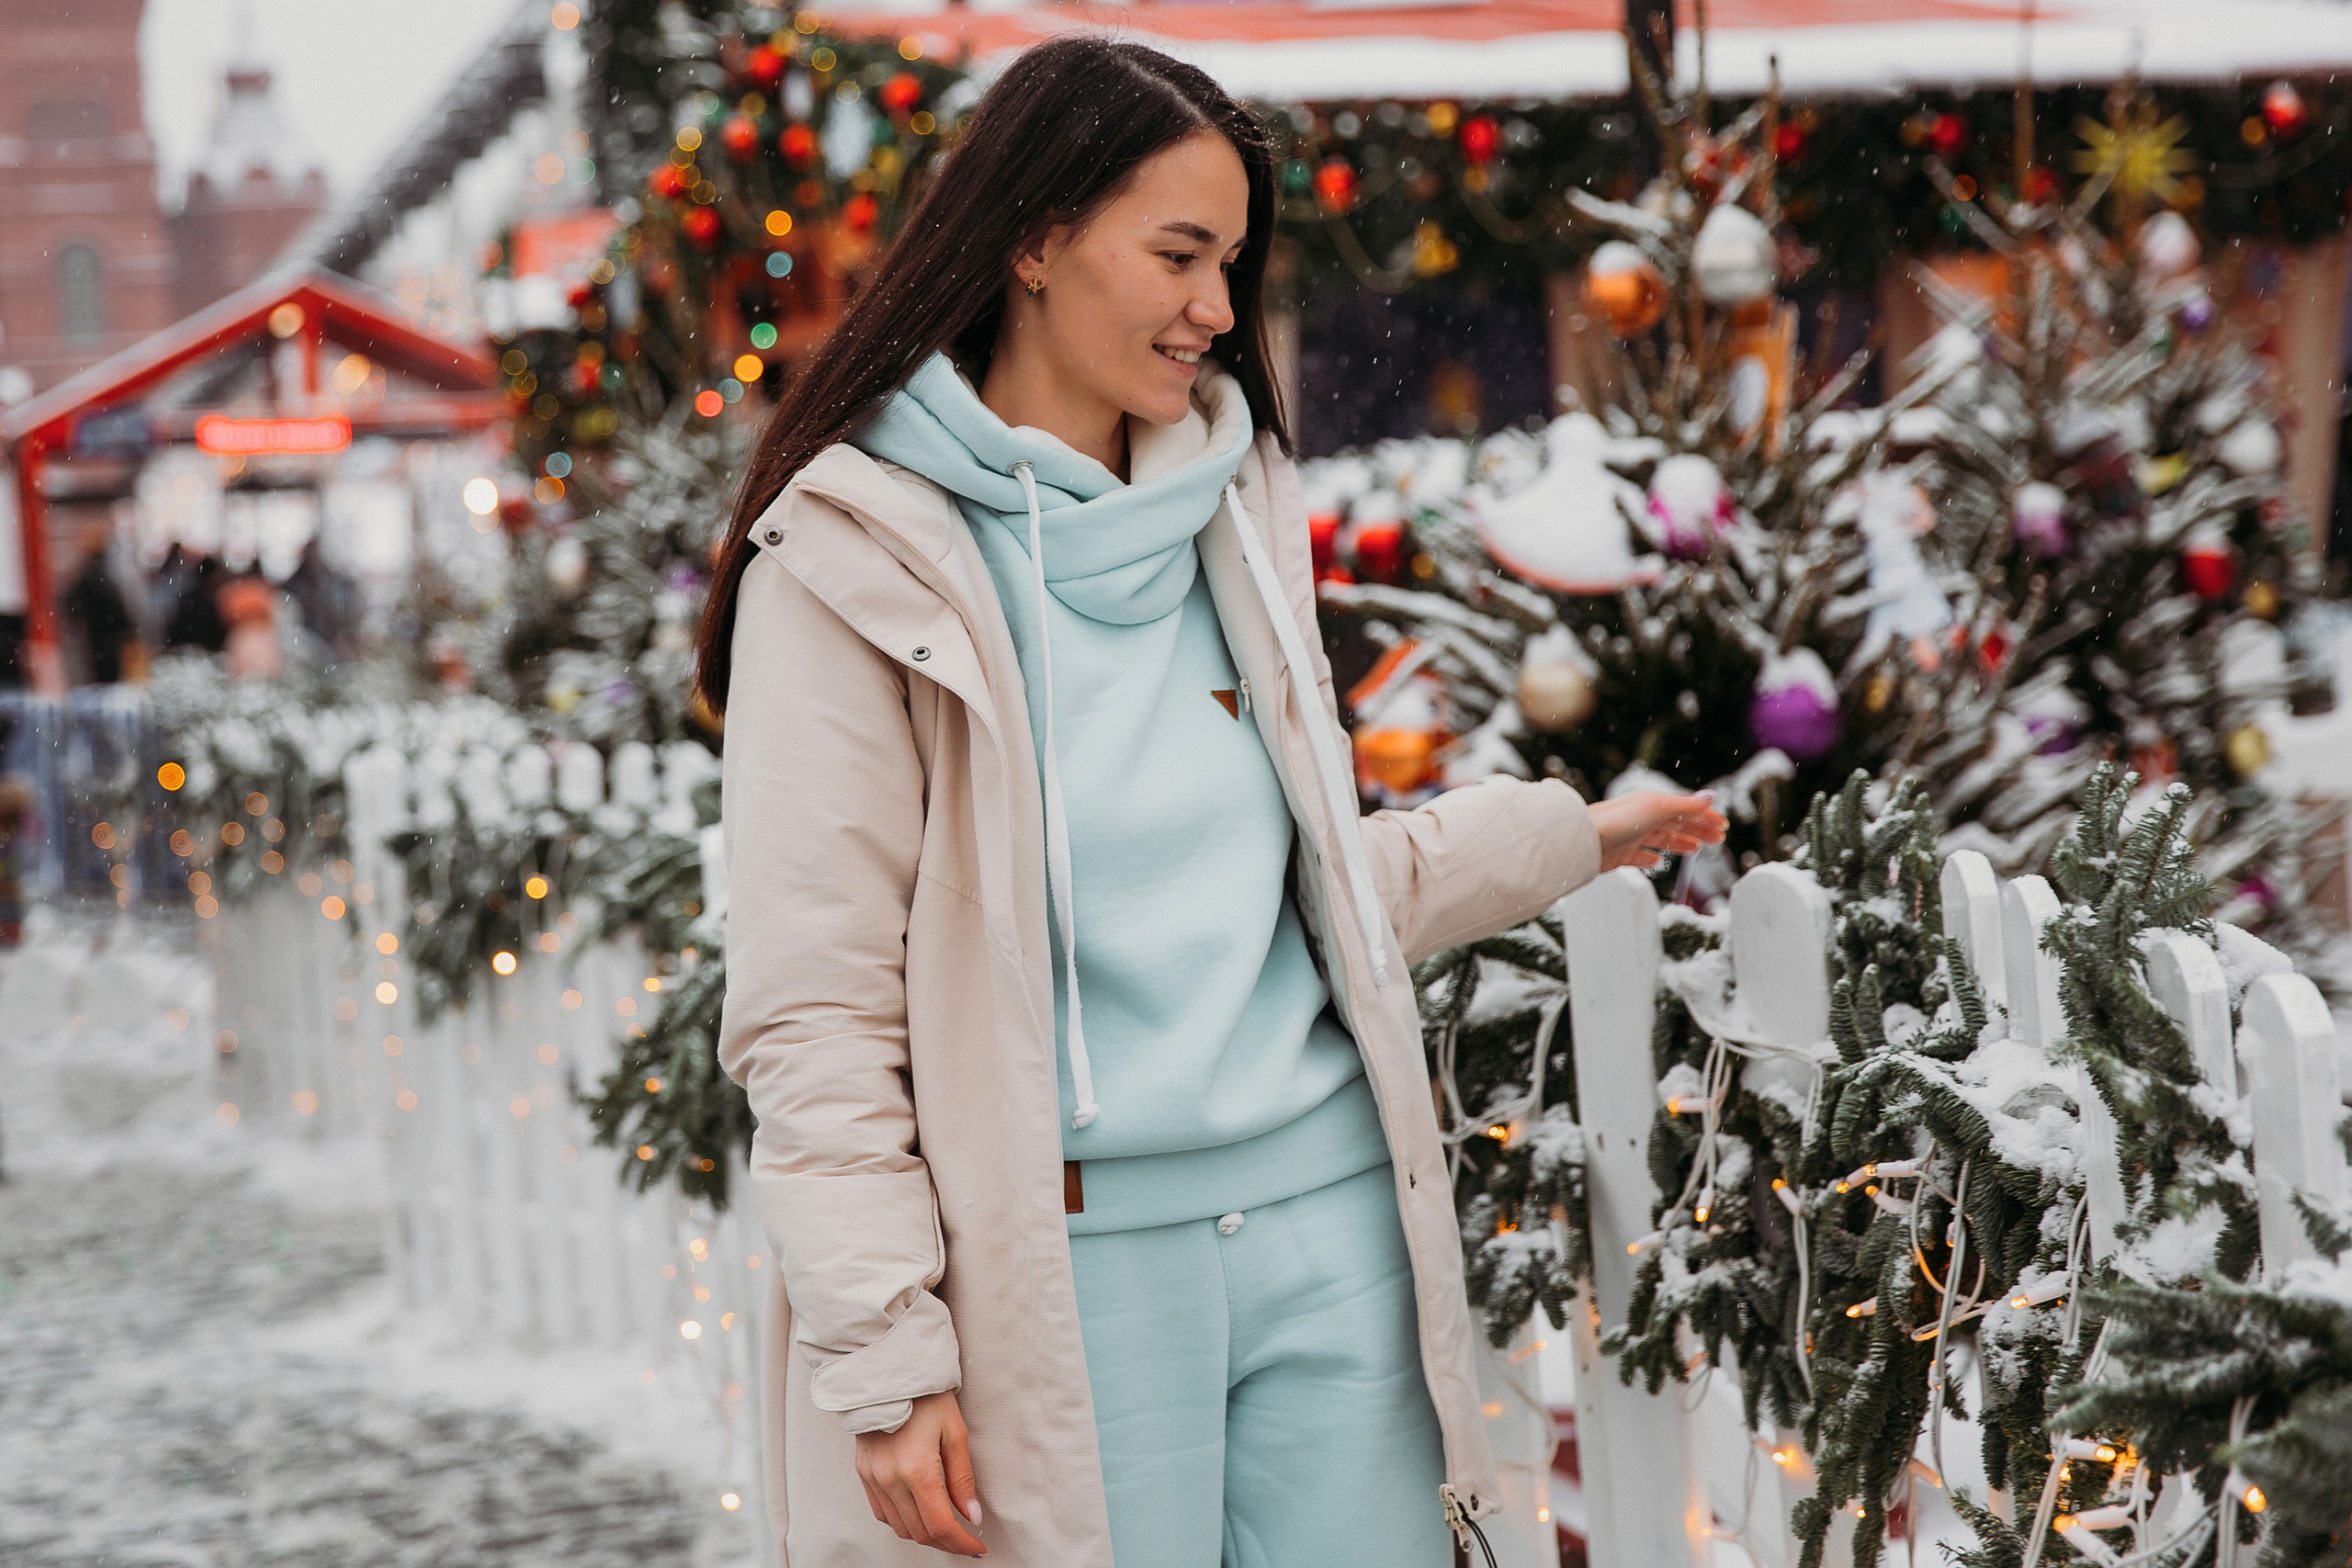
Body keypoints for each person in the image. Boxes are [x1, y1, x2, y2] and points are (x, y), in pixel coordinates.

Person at [695, 37, 1726, 1568]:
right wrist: (885, 1349)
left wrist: (1567, 831)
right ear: (1034, 239)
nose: (1217, 309)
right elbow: (816, 1005)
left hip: (1331, 1226)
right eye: (1178, 254)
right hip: (1065, 1278)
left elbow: (1293, 886)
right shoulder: (856, 558)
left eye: (1230, 263)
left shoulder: (1232, 514)